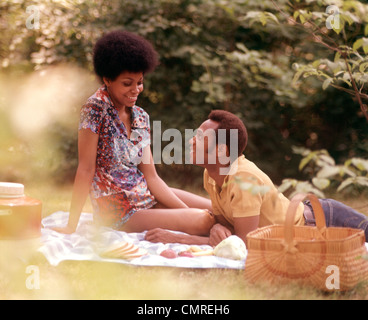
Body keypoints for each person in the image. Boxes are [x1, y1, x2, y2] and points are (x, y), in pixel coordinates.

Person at [52, 30, 214, 235]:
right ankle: (213, 228)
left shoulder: (140, 117)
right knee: (203, 220)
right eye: (127, 83)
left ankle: (243, 231)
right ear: (107, 79)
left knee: (215, 209)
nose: (136, 89)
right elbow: (85, 169)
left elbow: (152, 177)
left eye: (140, 82)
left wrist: (185, 210)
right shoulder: (94, 110)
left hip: (144, 197)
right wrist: (70, 226)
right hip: (117, 211)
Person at [145, 110, 368, 247]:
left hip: (325, 219)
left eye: (201, 137)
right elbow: (226, 225)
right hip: (306, 217)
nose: (192, 140)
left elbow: (244, 243)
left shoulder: (244, 179)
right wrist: (214, 229)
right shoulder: (211, 175)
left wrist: (181, 238)